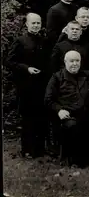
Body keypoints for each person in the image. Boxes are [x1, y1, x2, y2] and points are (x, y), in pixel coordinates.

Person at [45, 51, 89, 166]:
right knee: (73, 126)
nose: (74, 64)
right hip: (69, 114)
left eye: (77, 61)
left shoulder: (88, 75)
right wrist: (59, 110)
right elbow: (48, 99)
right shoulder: (57, 77)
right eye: (71, 61)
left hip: (88, 112)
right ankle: (75, 160)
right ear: (65, 62)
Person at [5, 13, 49, 158]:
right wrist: (26, 68)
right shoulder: (20, 41)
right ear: (27, 24)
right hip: (26, 86)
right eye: (33, 23)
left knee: (41, 117)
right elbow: (9, 61)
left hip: (42, 85)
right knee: (28, 118)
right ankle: (27, 150)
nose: (36, 26)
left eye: (38, 23)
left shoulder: (44, 40)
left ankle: (40, 149)